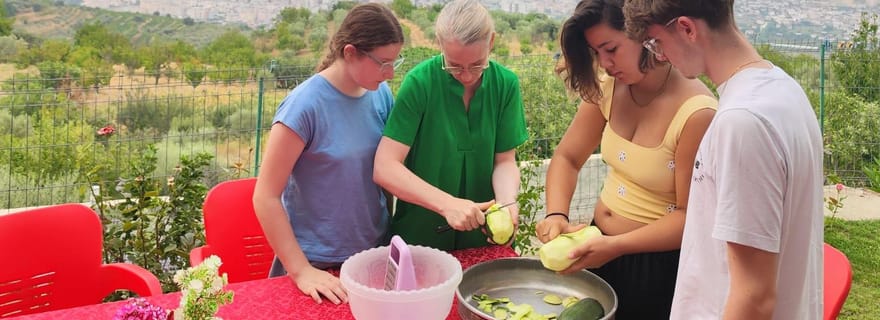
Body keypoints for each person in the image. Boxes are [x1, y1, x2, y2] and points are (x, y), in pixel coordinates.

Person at [622, 1, 824, 319]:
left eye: (657, 43)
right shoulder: (784, 91)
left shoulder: (742, 123)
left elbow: (753, 297)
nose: (660, 57)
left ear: (686, 29)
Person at [534, 0, 717, 319]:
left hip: (656, 266)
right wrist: (556, 214)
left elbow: (692, 216)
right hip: (598, 245)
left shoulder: (696, 113)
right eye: (597, 52)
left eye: (611, 49)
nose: (604, 64)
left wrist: (616, 246)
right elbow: (567, 157)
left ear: (643, 34)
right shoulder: (608, 87)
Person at [252, 3, 404, 305]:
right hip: (318, 267)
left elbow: (384, 171)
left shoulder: (380, 94)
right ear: (350, 53)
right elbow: (265, 196)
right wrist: (301, 271)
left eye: (394, 63)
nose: (389, 74)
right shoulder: (303, 106)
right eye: (382, 63)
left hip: (372, 256)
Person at [373, 0, 528, 251]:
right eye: (454, 65)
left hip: (483, 237)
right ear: (439, 43)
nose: (466, 75)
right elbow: (385, 167)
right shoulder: (420, 82)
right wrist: (447, 204)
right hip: (420, 237)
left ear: (491, 42)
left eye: (477, 64)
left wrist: (507, 202)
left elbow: (505, 161)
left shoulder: (506, 85)